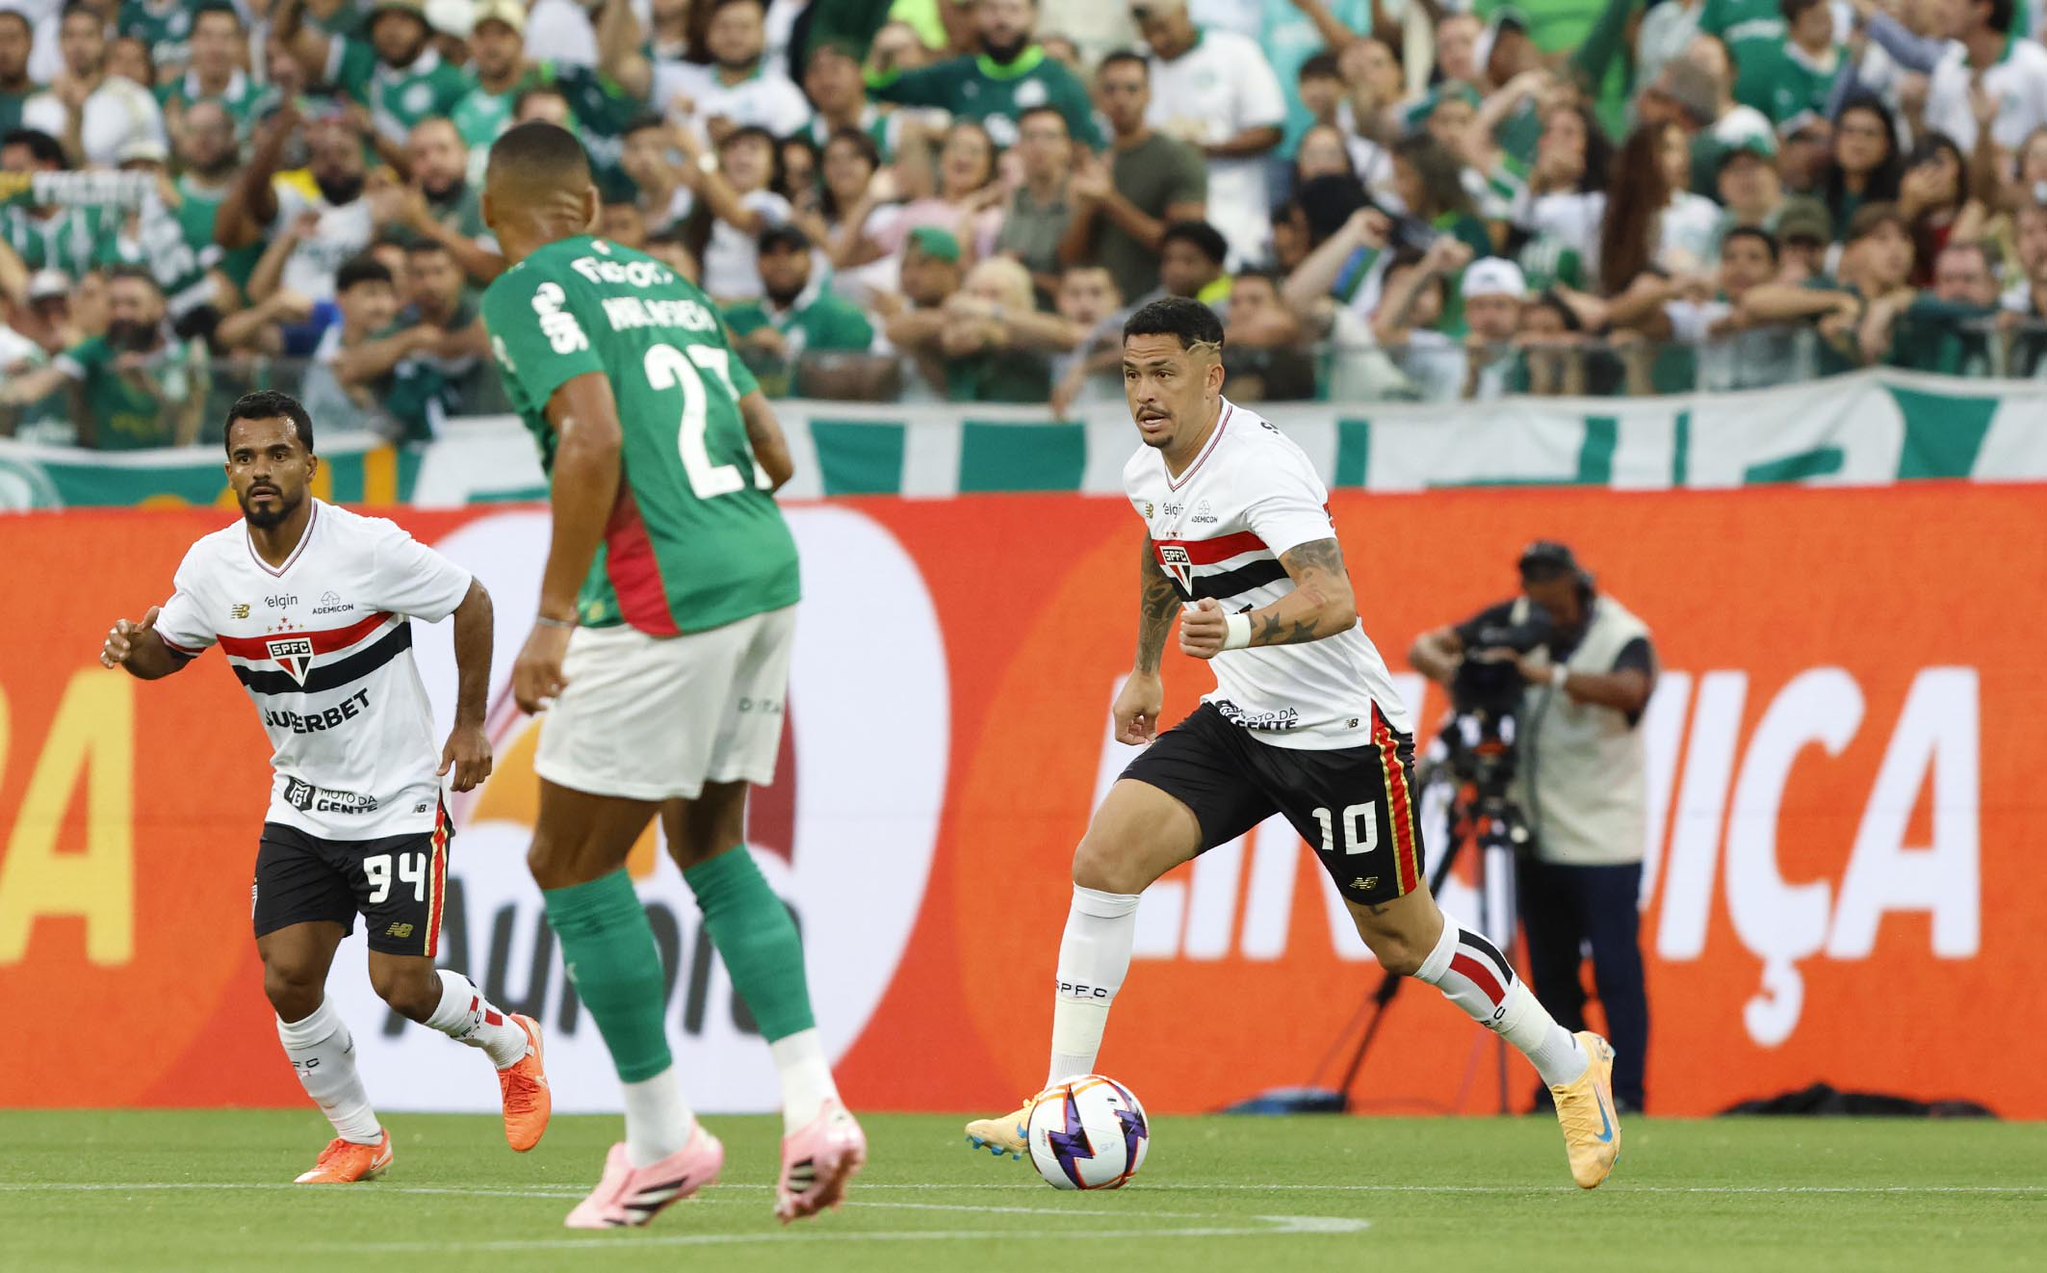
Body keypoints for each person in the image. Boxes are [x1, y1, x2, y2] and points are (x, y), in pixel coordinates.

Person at [963, 297, 1624, 1190]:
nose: (1144, 393)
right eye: (1130, 373)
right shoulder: (1147, 472)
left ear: (1211, 371)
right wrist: (1148, 670)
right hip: (1241, 722)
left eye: (1163, 372)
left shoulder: (1261, 469)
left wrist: (1234, 636)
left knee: (1405, 939)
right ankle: (1058, 1098)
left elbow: (1336, 597)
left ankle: (1570, 1063)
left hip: (1342, 735)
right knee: (1104, 859)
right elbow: (1165, 552)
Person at [478, 119, 864, 1229]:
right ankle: (813, 1107)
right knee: (708, 842)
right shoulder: (668, 283)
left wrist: (553, 618)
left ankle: (661, 1141)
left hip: (660, 593)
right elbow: (776, 452)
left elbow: (591, 438)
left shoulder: (527, 288)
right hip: (762, 568)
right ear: (592, 205)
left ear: (495, 219)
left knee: (567, 857)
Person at [91, 389, 548, 1184]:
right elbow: (171, 648)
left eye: (276, 454)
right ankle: (359, 1136)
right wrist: (135, 650)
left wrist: (471, 724)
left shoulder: (368, 548)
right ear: (228, 469)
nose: (260, 470)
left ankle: (511, 1044)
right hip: (302, 802)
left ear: (310, 463)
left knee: (399, 984)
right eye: (244, 457)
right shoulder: (211, 566)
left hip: (398, 796)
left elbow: (470, 599)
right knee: (288, 975)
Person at [1409, 542, 1656, 1115]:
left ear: (1581, 590)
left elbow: (1632, 691)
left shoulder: (1622, 634)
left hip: (1604, 836)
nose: (1549, 617)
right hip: (1536, 830)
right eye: (1539, 602)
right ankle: (1569, 1089)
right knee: (1551, 972)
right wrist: (1462, 674)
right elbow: (1425, 648)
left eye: (1558, 606)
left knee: (1617, 969)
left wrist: (1544, 674)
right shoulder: (1518, 620)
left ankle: (1632, 1095)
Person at [1132, 0, 1285, 267]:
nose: (1157, 40)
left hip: (1233, 206)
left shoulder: (1235, 51)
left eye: (1163, 28)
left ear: (1184, 13)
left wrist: (1203, 150)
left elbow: (1270, 129)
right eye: (1147, 32)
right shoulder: (1138, 63)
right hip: (1164, 213)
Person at [1058, 51, 1206, 307]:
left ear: (1149, 94)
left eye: (1132, 89)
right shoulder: (1093, 160)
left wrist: (1109, 200)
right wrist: (1090, 207)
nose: (1121, 99)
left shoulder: (1177, 156)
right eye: (1111, 89)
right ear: (1098, 97)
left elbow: (1187, 250)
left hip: (1163, 306)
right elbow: (1071, 257)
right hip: (1101, 307)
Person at [0, 265, 206, 448]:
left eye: (133, 304)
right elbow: (30, 389)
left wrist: (146, 386)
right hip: (104, 479)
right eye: (114, 304)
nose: (121, 313)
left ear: (160, 307)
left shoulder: (189, 355)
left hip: (169, 480)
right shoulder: (94, 351)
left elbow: (185, 432)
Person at [869, 0, 1102, 149]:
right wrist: (881, 54)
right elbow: (882, 89)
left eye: (1013, 9)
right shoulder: (959, 73)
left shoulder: (1060, 80)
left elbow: (1092, 146)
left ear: (1033, 16)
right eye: (992, 9)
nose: (1001, 20)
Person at [272, 0, 471, 164]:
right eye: (383, 20)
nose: (392, 30)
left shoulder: (454, 83)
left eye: (403, 19)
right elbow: (287, 36)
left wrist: (372, 134)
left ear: (425, 28)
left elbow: (450, 165)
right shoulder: (361, 60)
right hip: (358, 192)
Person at [722, 222, 879, 396]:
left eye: (791, 252)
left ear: (810, 261)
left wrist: (792, 356)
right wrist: (746, 344)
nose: (781, 262)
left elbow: (850, 379)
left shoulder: (842, 318)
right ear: (758, 263)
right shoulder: (735, 318)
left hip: (815, 418)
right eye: (770, 253)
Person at [21, 1, 167, 169]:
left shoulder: (134, 98)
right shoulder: (36, 105)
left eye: (88, 35)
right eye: (70, 36)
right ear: (59, 43)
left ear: (104, 42)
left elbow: (149, 171)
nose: (78, 45)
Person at [1924, 0, 2047, 156]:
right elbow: (1934, 138)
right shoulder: (1947, 67)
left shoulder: (2035, 65)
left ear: (1983, 9)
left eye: (1952, 2)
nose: (1939, 9)